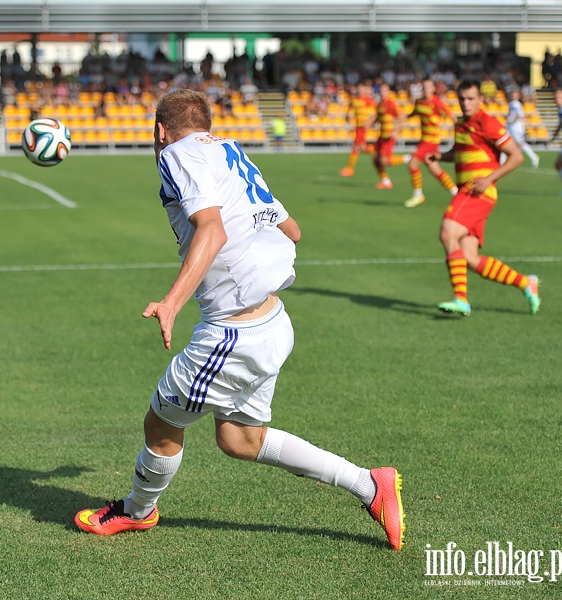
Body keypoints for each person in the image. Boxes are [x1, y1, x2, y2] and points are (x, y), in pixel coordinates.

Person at [74, 89, 405, 552]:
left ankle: (136, 511)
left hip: (234, 333)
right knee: (240, 439)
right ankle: (371, 485)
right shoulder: (228, 149)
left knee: (161, 423)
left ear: (159, 131)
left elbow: (212, 228)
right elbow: (293, 229)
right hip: (272, 321)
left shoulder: (175, 154)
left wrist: (171, 302)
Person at [426, 81, 540, 317]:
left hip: (477, 192)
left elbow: (516, 157)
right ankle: (525, 283)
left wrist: (489, 179)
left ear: (480, 100)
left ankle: (461, 300)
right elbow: (459, 153)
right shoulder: (461, 124)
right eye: (462, 99)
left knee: (447, 233)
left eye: (470, 98)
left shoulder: (487, 122)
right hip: (470, 192)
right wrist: (439, 155)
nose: (466, 103)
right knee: (470, 258)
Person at [403, 78, 458, 208]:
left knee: (412, 163)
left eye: (429, 87)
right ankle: (456, 192)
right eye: (424, 87)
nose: (426, 90)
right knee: (435, 169)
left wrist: (459, 131)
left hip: (432, 141)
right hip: (424, 140)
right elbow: (414, 113)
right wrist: (402, 118)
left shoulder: (437, 103)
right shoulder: (419, 102)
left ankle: (418, 194)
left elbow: (452, 117)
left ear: (433, 89)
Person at [372, 83, 406, 189]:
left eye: (384, 90)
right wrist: (370, 122)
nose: (382, 93)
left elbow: (401, 117)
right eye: (381, 90)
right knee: (375, 159)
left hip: (388, 136)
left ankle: (407, 158)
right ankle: (386, 181)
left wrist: (396, 131)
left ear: (388, 92)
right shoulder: (380, 104)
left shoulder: (391, 103)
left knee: (384, 161)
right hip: (381, 136)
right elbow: (378, 117)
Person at [339, 81, 377, 177]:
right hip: (357, 126)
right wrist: (348, 116)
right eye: (359, 88)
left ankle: (350, 168)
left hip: (363, 127)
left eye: (362, 88)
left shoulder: (368, 100)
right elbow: (350, 108)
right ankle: (350, 168)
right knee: (359, 147)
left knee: (357, 146)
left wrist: (370, 121)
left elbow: (377, 112)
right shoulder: (355, 100)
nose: (360, 90)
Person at [505, 88, 540, 170]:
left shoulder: (517, 104)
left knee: (521, 143)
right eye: (513, 94)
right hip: (510, 126)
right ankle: (502, 162)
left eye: (515, 94)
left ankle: (534, 157)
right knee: (505, 142)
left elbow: (520, 116)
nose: (514, 95)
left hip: (516, 127)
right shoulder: (511, 104)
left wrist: (511, 119)